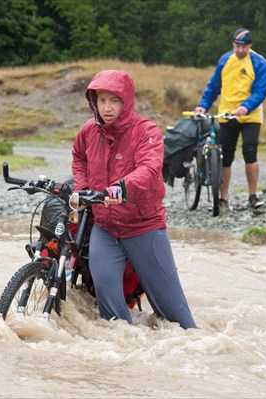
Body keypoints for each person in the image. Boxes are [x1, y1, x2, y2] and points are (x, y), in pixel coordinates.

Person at [71, 70, 196, 329]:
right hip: (105, 228)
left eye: (114, 101)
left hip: (144, 227)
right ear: (94, 101)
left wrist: (121, 188)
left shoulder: (146, 130)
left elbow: (150, 170)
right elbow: (79, 157)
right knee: (107, 297)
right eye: (102, 100)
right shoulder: (88, 131)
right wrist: (82, 187)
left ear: (126, 101)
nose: (107, 107)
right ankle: (126, 352)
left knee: (175, 315)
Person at [194, 28, 266, 210]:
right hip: (227, 114)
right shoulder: (225, 60)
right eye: (237, 46)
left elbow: (261, 90)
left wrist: (246, 106)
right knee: (225, 156)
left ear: (250, 46)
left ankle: (253, 196)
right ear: (233, 45)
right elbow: (213, 86)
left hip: (249, 116)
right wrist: (204, 104)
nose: (240, 50)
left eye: (244, 47)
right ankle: (223, 198)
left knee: (250, 153)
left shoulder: (259, 63)